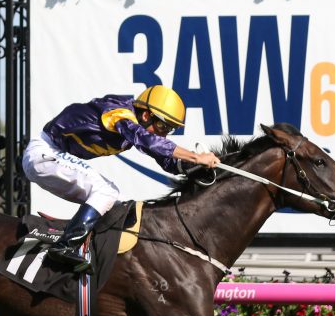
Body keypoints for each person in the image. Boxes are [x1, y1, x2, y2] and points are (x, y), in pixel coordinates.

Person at [21, 84, 220, 273]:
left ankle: (88, 249)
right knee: (106, 191)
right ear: (146, 115)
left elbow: (166, 159)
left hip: (52, 156)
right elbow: (147, 140)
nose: (164, 134)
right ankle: (64, 247)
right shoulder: (119, 112)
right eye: (162, 126)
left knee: (120, 206)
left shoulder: (137, 126)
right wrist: (195, 156)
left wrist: (194, 167)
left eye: (169, 130)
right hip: (44, 153)